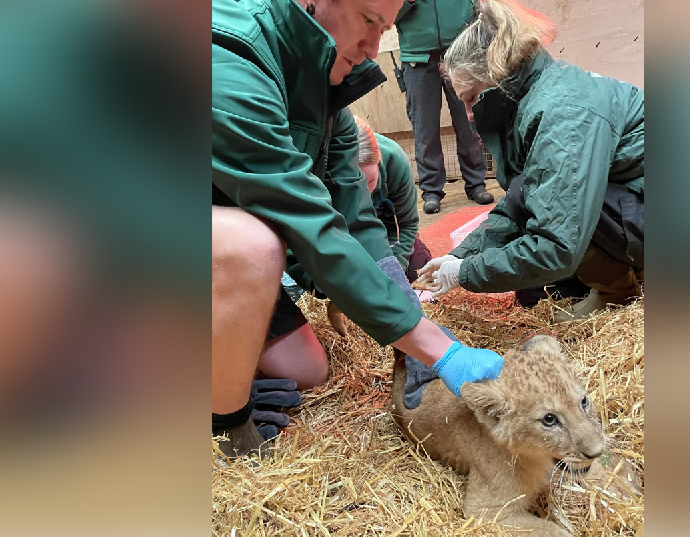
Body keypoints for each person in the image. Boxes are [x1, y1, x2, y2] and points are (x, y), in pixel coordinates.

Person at [212, 0, 504, 459]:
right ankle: (217, 418)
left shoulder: (331, 97)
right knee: (249, 247)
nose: (373, 48)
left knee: (305, 369)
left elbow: (357, 222)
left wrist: (410, 318)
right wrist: (438, 349)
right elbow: (307, 223)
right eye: (368, 21)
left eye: (385, 28)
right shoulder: (229, 57)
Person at [416, 0, 644, 319]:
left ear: (495, 74)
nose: (468, 116)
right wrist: (459, 257)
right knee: (536, 292)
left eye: (470, 99)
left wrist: (465, 272)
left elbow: (557, 242)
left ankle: (617, 292)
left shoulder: (561, 112)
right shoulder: (535, 97)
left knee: (531, 205)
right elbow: (517, 206)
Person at [393, 0, 494, 214]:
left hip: (461, 52)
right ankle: (431, 190)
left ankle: (476, 183)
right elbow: (387, 14)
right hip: (416, 58)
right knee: (424, 130)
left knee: (468, 123)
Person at [354, 116, 433, 282]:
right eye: (357, 188)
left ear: (379, 161)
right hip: (343, 242)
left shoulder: (394, 161)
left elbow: (406, 225)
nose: (366, 194)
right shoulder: (312, 170)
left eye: (371, 181)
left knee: (419, 266)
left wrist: (394, 273)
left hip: (385, 237)